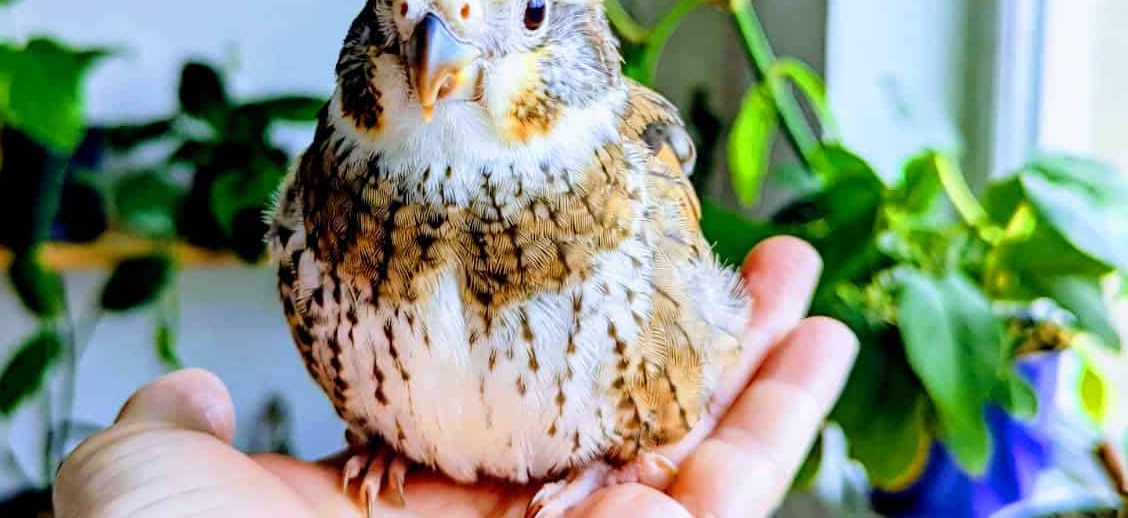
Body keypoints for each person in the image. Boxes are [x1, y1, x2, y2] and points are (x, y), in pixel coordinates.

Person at [53, 237, 858, 518]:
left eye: (530, 15)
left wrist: (612, 454)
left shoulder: (627, 169)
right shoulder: (324, 196)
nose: (440, 55)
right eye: (399, 19)